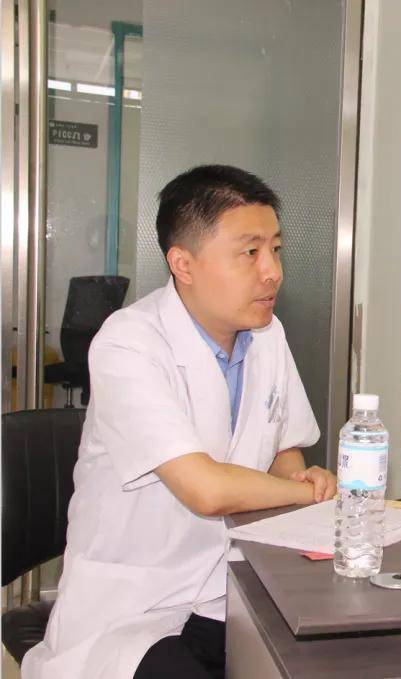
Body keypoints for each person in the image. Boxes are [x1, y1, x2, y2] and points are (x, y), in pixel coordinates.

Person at [23, 165, 336, 679]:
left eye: (276, 249)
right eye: (250, 252)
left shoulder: (267, 334)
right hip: (136, 604)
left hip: (226, 588)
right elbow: (206, 491)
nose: (272, 271)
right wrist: (312, 495)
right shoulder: (128, 343)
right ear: (183, 264)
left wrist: (301, 477)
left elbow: (283, 447)